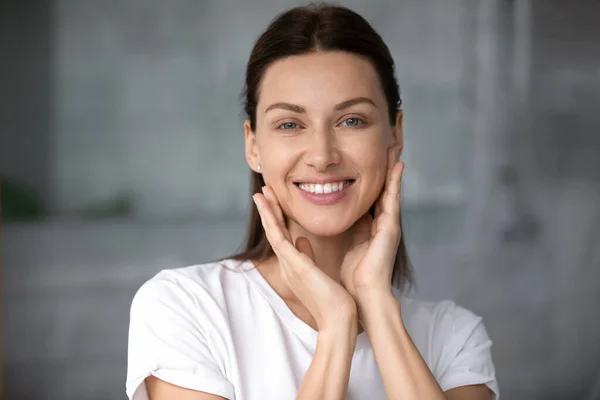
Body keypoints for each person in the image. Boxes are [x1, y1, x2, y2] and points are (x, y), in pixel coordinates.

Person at [126, 4, 499, 399]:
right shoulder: (187, 308)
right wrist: (336, 326)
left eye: (351, 120)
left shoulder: (453, 337)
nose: (322, 156)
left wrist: (376, 305)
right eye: (290, 124)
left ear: (396, 133)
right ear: (253, 145)